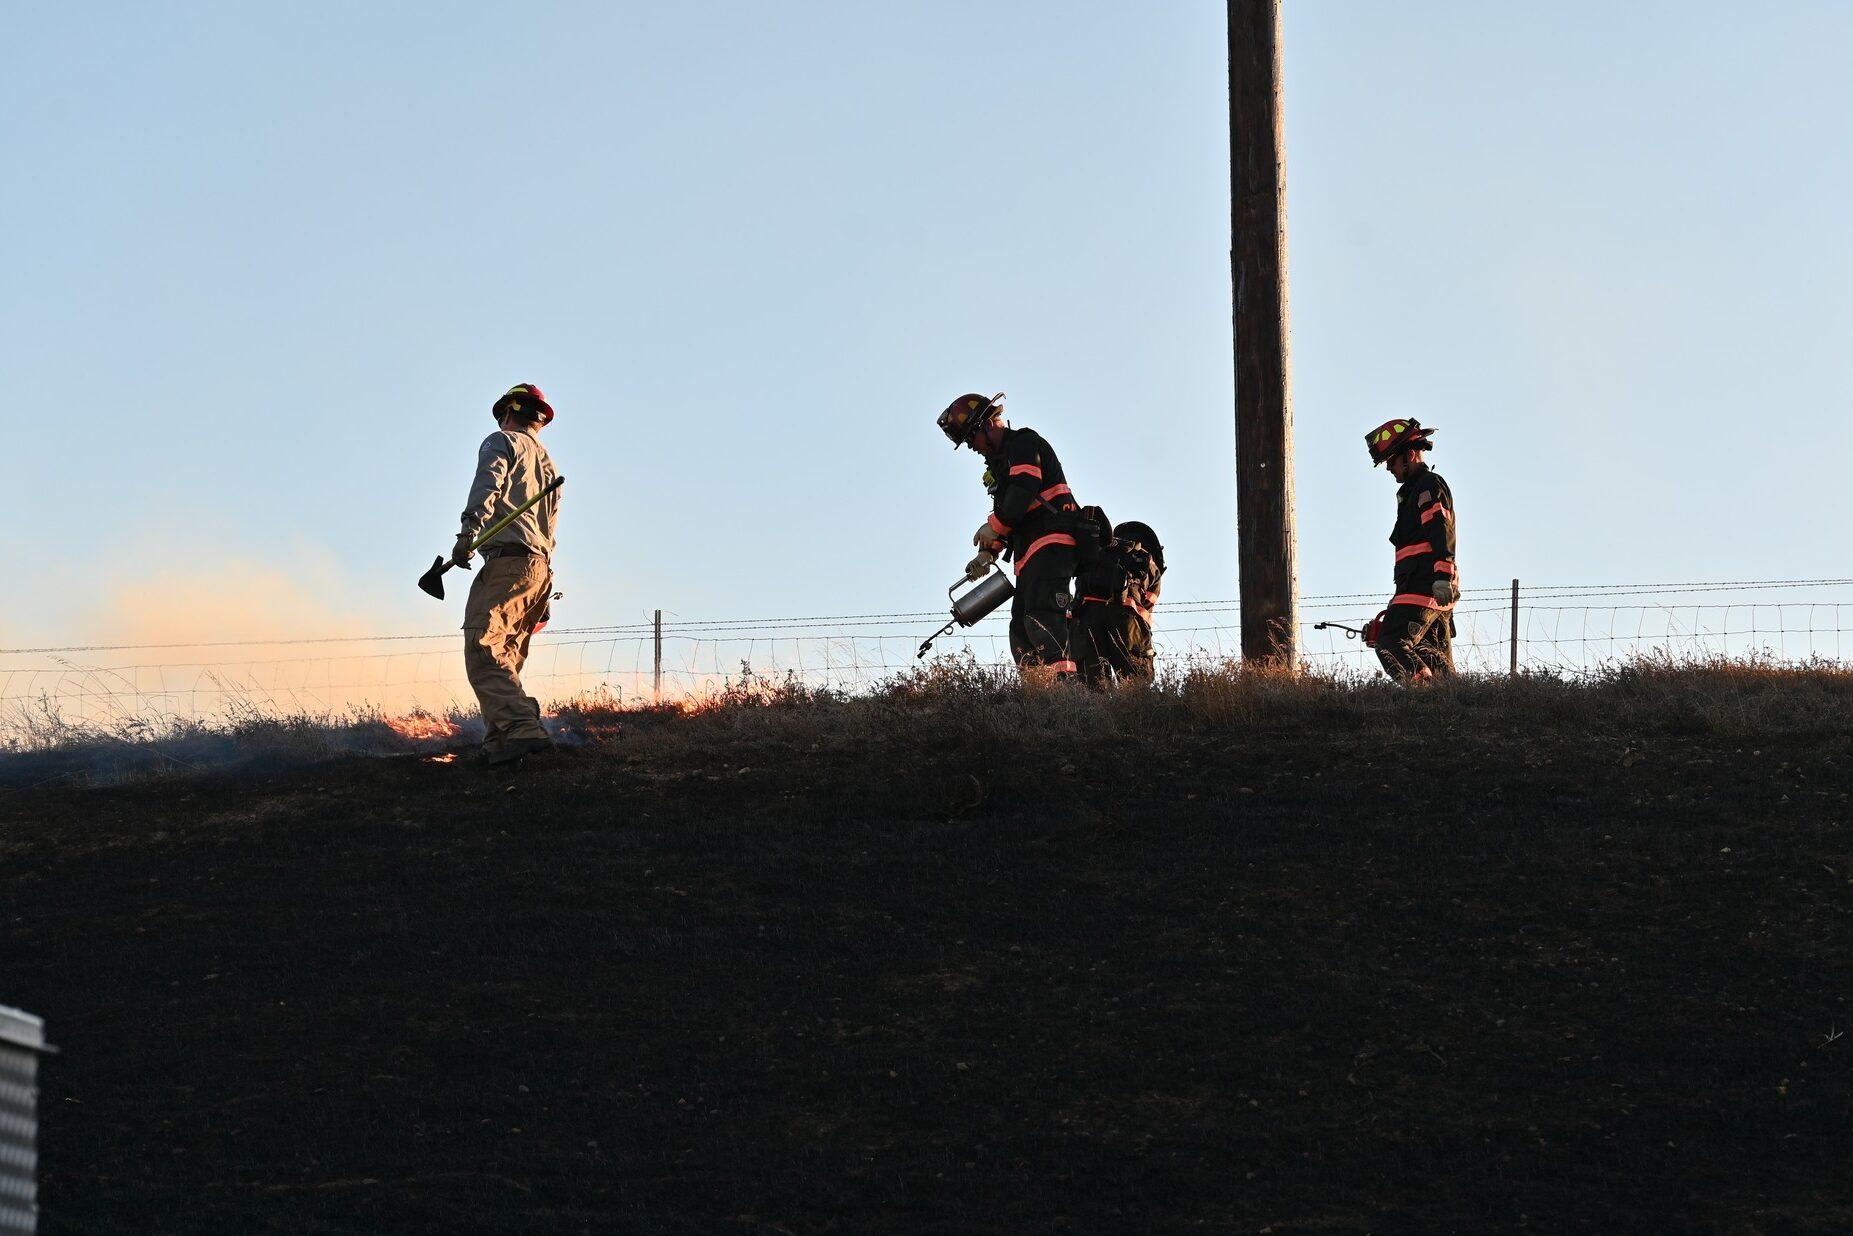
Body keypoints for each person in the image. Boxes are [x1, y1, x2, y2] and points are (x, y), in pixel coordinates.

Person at [937, 392, 1082, 682]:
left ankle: (1069, 698)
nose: (972, 448)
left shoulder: (1024, 444)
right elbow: (1011, 515)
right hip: (1030, 555)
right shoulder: (1002, 466)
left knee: (1043, 617)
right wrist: (989, 552)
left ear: (988, 425)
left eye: (971, 438)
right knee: (1021, 628)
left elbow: (1024, 490)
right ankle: (1038, 696)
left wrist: (995, 525)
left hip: (1052, 545)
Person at [453, 383, 563, 763]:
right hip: (537, 569)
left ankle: (522, 729)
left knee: (482, 646)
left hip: (507, 564)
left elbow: (488, 483)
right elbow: (549, 531)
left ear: (507, 411)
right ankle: (500, 744)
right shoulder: (549, 466)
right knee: (506, 655)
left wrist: (468, 532)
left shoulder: (501, 441)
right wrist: (543, 591)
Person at [1364, 417, 1457, 682]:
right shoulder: (1412, 491)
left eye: (1392, 461)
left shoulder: (1428, 486)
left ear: (1411, 454)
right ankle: (1448, 708)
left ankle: (1421, 698)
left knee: (1390, 643)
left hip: (1426, 583)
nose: (1388, 469)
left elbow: (1441, 531)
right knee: (1436, 663)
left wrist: (1443, 575)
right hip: (1422, 584)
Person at [1075, 518, 1165, 689]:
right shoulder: (1146, 560)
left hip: (1086, 620)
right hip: (1126, 623)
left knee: (1092, 689)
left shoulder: (1096, 555)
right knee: (1137, 688)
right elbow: (1148, 607)